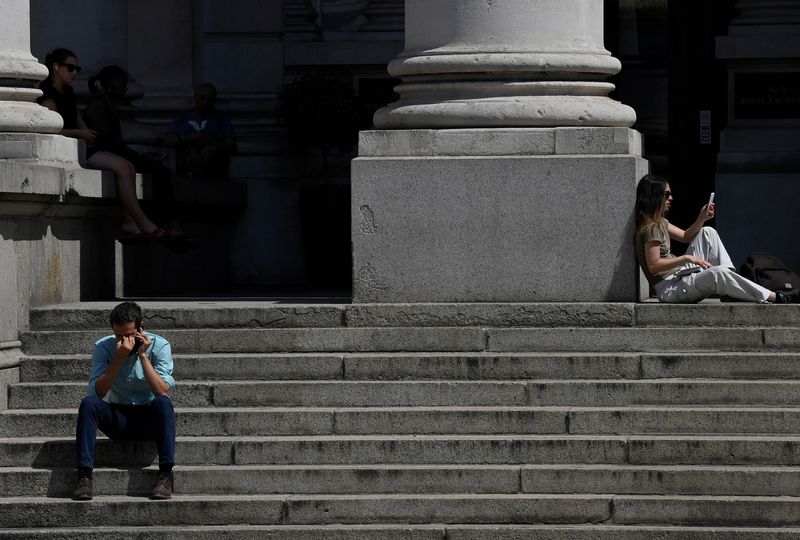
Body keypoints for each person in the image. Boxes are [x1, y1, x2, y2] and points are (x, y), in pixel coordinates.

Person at [38, 49, 166, 240]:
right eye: (70, 68)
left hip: (83, 146)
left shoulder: (68, 92)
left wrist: (87, 132)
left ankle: (130, 222)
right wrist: (81, 133)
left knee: (128, 166)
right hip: (71, 150)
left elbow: (78, 119)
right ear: (56, 67)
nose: (74, 73)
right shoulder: (48, 97)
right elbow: (49, 131)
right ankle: (143, 223)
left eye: (77, 69)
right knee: (123, 167)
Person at [634, 174, 800, 304]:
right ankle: (777, 297)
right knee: (718, 272)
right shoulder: (650, 228)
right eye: (666, 194)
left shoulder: (660, 222)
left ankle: (732, 286)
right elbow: (654, 265)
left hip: (679, 278)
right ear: (655, 196)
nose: (671, 198)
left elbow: (685, 237)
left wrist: (701, 218)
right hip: (670, 289)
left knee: (707, 232)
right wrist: (685, 258)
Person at [72, 302, 176, 501]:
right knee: (89, 403)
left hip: (148, 418)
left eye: (129, 335)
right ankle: (84, 477)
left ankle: (165, 476)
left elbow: (161, 390)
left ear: (140, 328)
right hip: (118, 417)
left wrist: (143, 356)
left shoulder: (160, 346)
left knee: (164, 403)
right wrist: (118, 358)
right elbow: (99, 391)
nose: (124, 340)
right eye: (119, 335)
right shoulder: (104, 347)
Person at [84, 65, 184, 239]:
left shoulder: (106, 104)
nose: (125, 88)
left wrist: (138, 156)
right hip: (108, 155)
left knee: (158, 170)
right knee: (159, 172)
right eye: (122, 83)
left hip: (117, 154)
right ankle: (168, 222)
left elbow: (115, 143)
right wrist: (137, 156)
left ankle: (164, 221)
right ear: (109, 84)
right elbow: (107, 142)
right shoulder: (98, 105)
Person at [164, 82, 236, 179]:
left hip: (213, 167)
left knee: (210, 152)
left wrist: (210, 141)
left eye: (209, 100)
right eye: (202, 98)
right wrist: (187, 139)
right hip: (187, 162)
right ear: (195, 97)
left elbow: (231, 146)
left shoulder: (222, 121)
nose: (205, 103)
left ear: (214, 102)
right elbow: (168, 141)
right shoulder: (182, 119)